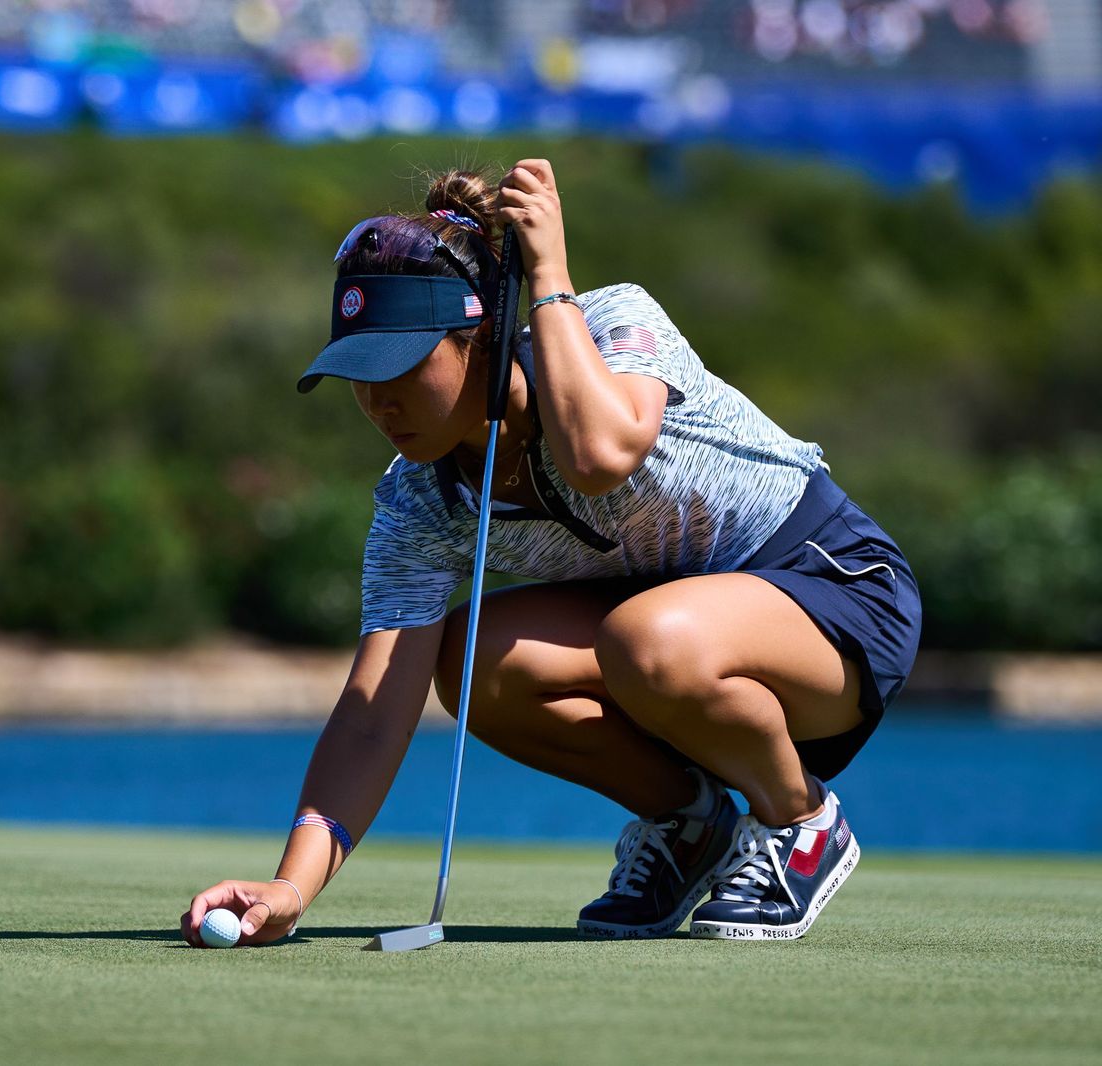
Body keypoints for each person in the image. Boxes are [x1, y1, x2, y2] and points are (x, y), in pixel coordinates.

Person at [180, 159, 922, 945]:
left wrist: (549, 275)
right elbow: (372, 716)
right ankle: (689, 826)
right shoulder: (418, 501)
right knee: (476, 661)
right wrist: (292, 887)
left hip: (838, 596)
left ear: (482, 340)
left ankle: (799, 820)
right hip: (669, 646)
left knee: (647, 639)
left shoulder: (613, 324)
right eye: (358, 375)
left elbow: (599, 457)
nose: (379, 402)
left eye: (402, 365)